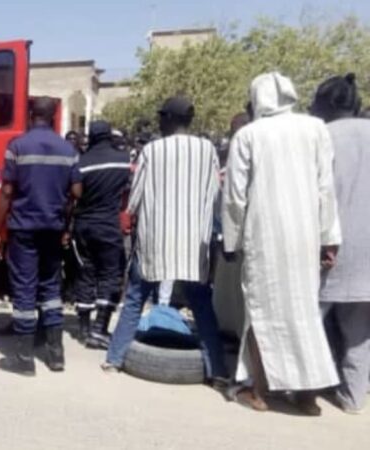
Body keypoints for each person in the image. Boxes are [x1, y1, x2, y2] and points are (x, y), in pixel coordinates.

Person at [222, 72, 341, 416]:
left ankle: (258, 392)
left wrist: (231, 239)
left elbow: (235, 198)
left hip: (264, 236)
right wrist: (328, 238)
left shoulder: (248, 135)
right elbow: (325, 188)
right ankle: (306, 397)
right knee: (303, 311)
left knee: (262, 311)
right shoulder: (316, 129)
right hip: (305, 236)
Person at [103, 97, 228, 386]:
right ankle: (217, 369)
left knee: (135, 298)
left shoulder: (152, 150)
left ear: (169, 118)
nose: (158, 122)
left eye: (161, 117)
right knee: (202, 305)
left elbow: (134, 200)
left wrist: (134, 213)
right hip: (192, 243)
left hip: (155, 241)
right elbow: (215, 195)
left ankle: (114, 359)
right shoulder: (207, 149)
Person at [0, 97, 82, 375]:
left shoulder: (17, 146)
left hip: (23, 228)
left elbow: (7, 192)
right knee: (51, 288)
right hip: (52, 229)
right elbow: (76, 193)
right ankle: (56, 355)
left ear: (31, 115)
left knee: (24, 288)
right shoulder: (69, 149)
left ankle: (23, 358)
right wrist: (65, 225)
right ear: (54, 116)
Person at [311, 73, 370, 415]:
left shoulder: (322, 137)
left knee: (309, 322)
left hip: (330, 250)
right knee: (360, 332)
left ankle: (301, 389)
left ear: (329, 104)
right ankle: (352, 397)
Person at [71, 121, 131, 348]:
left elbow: (74, 193)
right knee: (109, 275)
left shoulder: (81, 162)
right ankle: (100, 328)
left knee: (85, 273)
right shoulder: (123, 161)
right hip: (108, 226)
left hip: (84, 225)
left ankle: (84, 329)